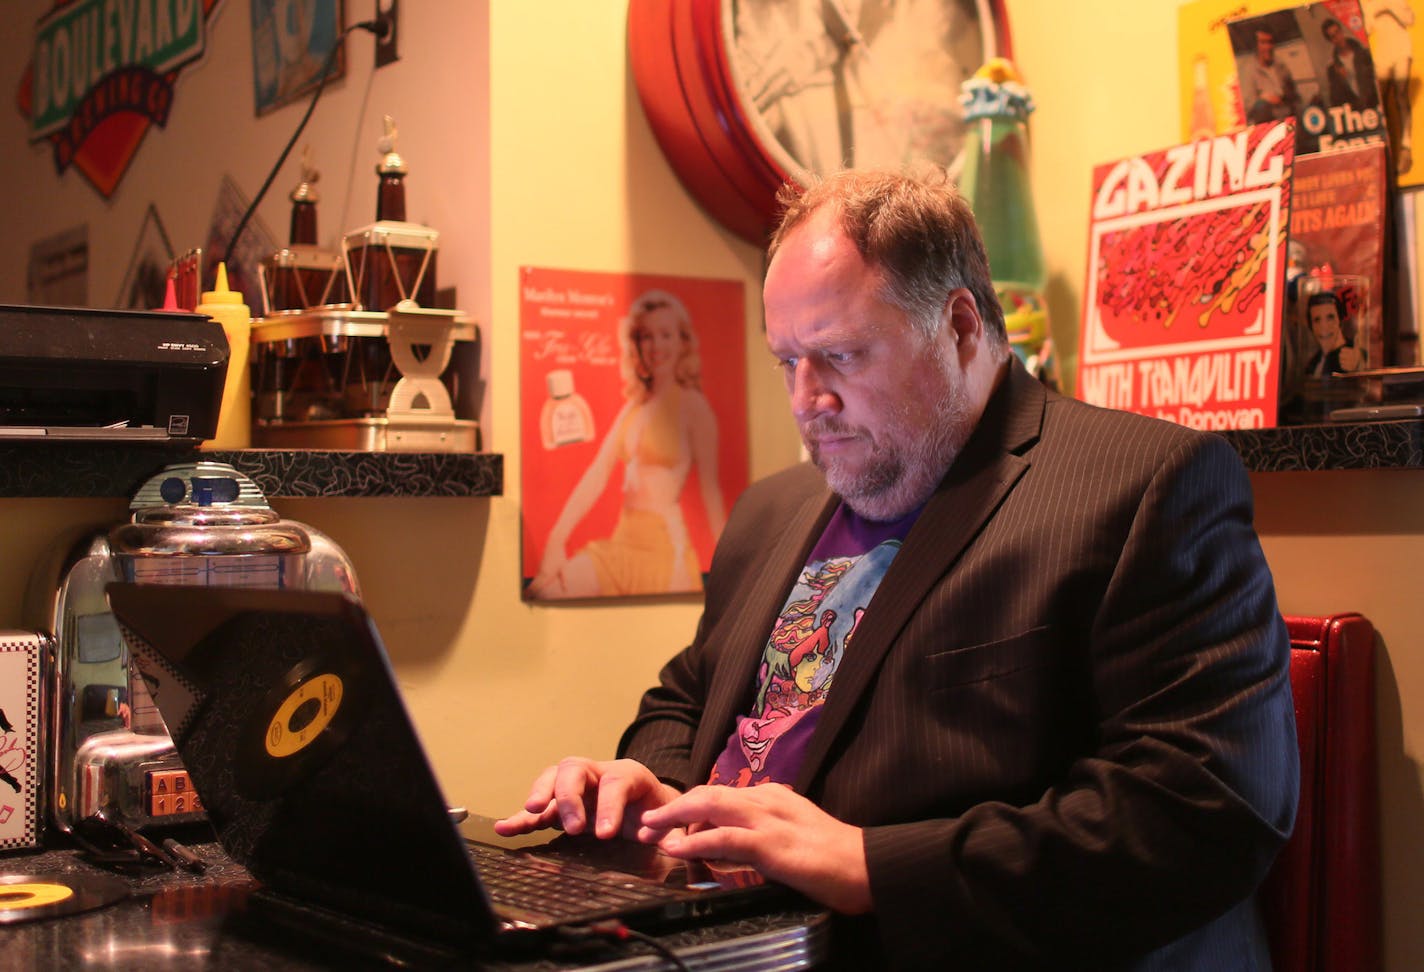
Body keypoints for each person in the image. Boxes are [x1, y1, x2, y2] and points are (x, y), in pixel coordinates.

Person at [498, 168, 1299, 969]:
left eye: (841, 354)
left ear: (957, 326)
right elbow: (685, 696)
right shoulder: (771, 511)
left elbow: (1208, 811)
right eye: (787, 362)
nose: (809, 399)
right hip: (728, 938)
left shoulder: (1143, 487)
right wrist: (654, 786)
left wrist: (867, 865)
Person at [529, 290, 727, 598]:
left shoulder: (693, 407)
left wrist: (735, 570)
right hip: (622, 542)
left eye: (666, 335)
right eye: (647, 336)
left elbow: (711, 493)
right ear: (637, 344)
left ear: (682, 342)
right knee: (546, 592)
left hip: (664, 552)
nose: (656, 345)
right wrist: (556, 540)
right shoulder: (633, 406)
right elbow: (597, 475)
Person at [1242, 26, 1302, 124]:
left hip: (1288, 119)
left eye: (1270, 42)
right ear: (1255, 46)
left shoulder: (1281, 66)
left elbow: (1295, 96)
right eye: (1263, 42)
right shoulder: (1248, 71)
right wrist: (1264, 100)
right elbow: (1248, 109)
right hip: (1267, 124)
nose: (1268, 47)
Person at [1322, 17, 1381, 112]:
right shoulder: (1332, 69)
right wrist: (1341, 79)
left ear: (1342, 31)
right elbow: (1335, 100)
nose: (1338, 38)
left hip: (1375, 105)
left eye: (1338, 32)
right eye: (1333, 36)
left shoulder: (1365, 54)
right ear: (1330, 41)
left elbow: (1378, 78)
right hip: (1356, 114)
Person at [1306, 289, 1365, 376]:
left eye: (1330, 318)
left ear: (1339, 320)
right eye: (1317, 320)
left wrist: (1359, 362)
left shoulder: (1353, 356)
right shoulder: (1313, 362)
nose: (1324, 327)